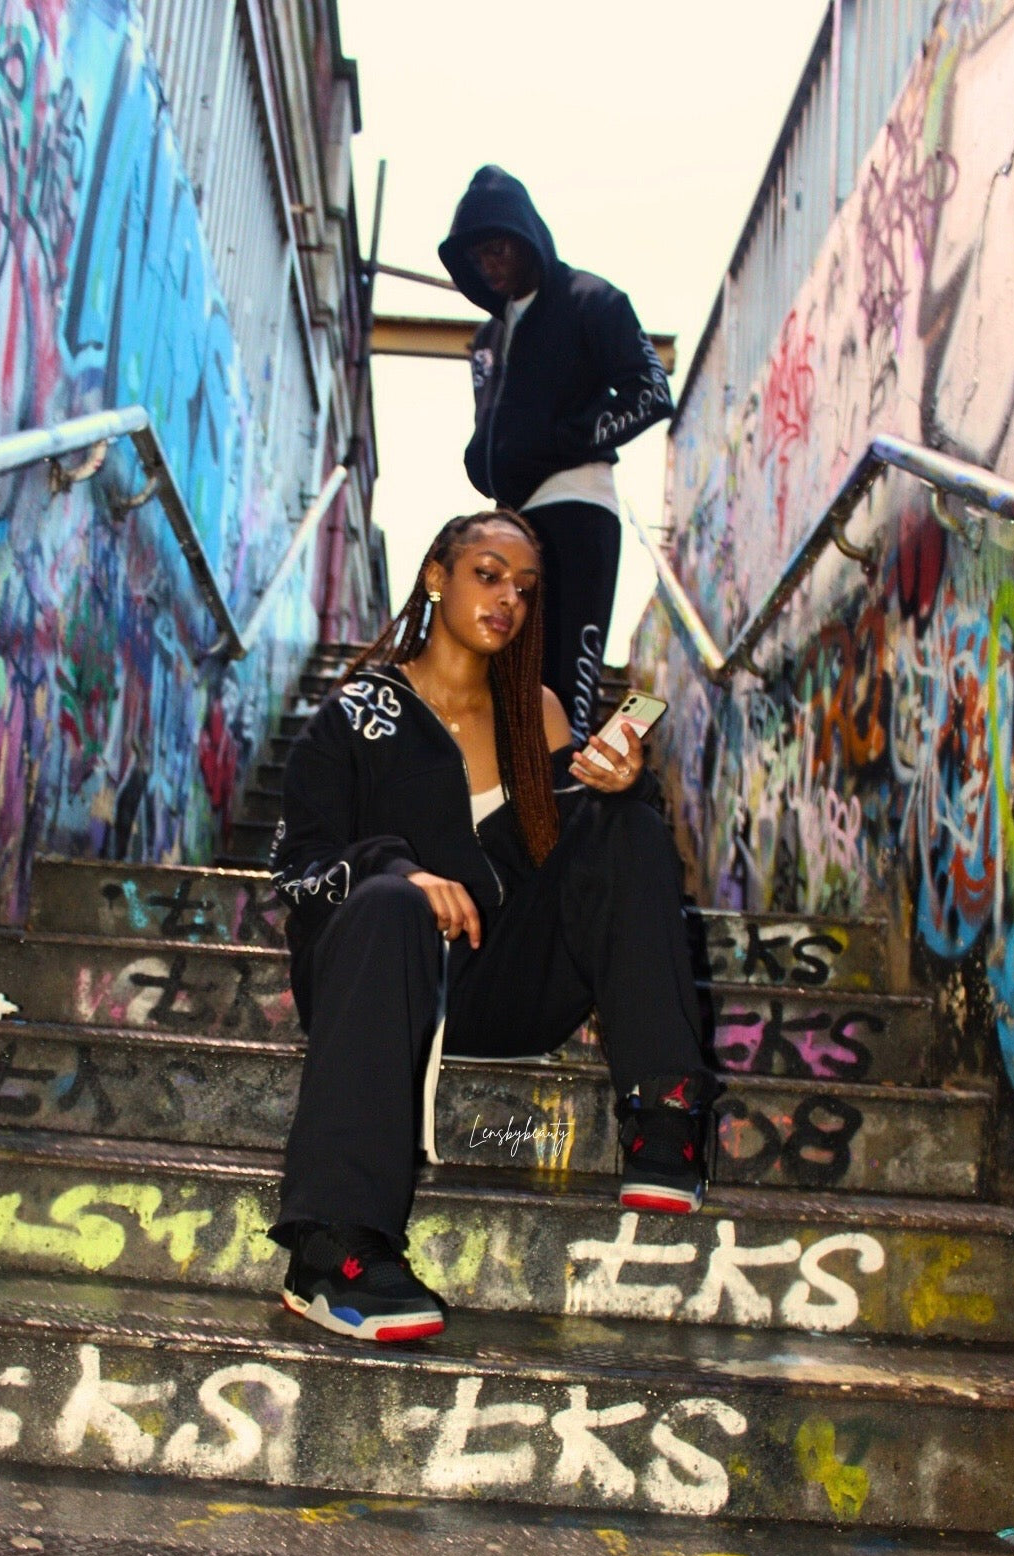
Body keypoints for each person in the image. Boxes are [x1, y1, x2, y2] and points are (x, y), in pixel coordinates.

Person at [267, 510, 714, 1343]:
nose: (508, 597)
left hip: (504, 981)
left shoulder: (535, 714)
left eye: (525, 588)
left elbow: (576, 863)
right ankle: (330, 1246)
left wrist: (622, 788)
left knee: (624, 824)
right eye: (487, 573)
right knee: (392, 901)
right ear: (437, 576)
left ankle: (663, 1109)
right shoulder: (358, 712)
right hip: (382, 983)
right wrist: (400, 871)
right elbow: (298, 861)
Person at [439, 165, 674, 746]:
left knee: (568, 685)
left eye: (499, 249)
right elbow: (492, 430)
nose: (489, 265)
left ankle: (571, 791)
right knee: (507, 678)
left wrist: (564, 438)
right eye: (477, 258)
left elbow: (651, 392)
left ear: (528, 240)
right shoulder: (489, 340)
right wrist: (481, 458)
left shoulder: (589, 299)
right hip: (511, 522)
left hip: (577, 505)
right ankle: (514, 794)